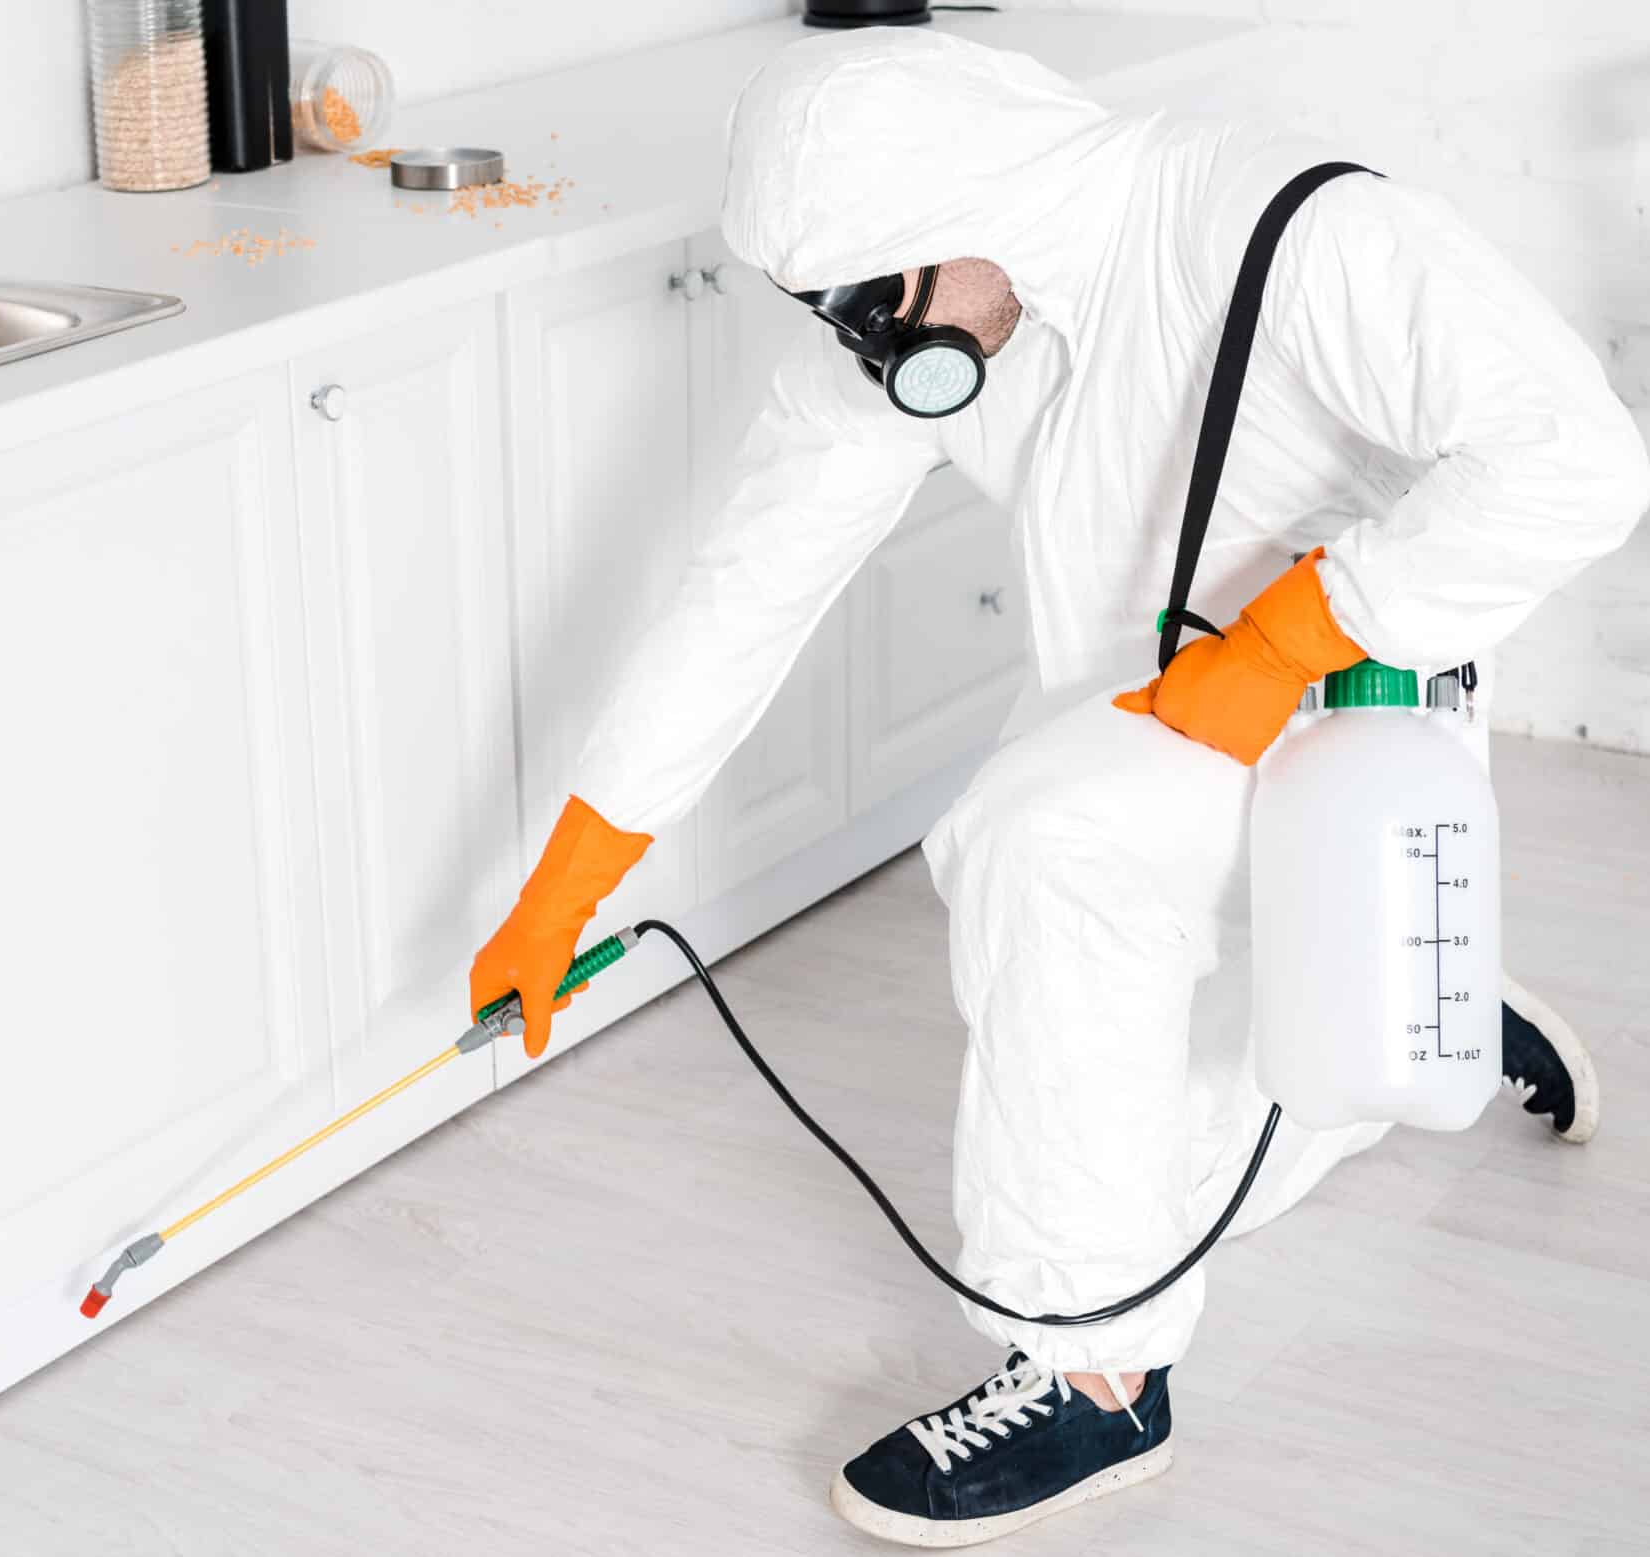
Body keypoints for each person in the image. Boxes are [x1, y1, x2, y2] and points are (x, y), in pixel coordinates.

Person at [471, 28, 1645, 1548]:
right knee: (1133, 1114)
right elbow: (742, 588)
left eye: (877, 299)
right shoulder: (929, 319)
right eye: (825, 307)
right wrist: (576, 870)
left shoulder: (1288, 229)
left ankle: (1100, 1379)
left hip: (1351, 711)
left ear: (974, 193)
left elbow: (1579, 461)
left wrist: (1298, 636)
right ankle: (1420, 994)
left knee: (1038, 838)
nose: (864, 341)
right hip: (1142, 709)